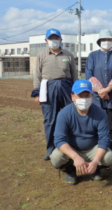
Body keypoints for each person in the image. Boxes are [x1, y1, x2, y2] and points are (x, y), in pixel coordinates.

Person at [50, 80, 112, 185]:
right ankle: (70, 170)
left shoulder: (100, 113)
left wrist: (95, 161)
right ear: (73, 97)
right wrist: (76, 157)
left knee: (109, 157)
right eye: (80, 96)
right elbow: (59, 140)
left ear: (92, 96)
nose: (84, 99)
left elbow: (104, 139)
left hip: (92, 149)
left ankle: (96, 168)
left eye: (87, 95)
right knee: (55, 157)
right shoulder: (64, 114)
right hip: (72, 149)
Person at [31, 28, 78, 161]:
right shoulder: (41, 55)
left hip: (66, 87)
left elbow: (74, 75)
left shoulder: (68, 54)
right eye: (51, 39)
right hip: (48, 88)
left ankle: (72, 146)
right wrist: (36, 93)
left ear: (60, 40)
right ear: (46, 41)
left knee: (71, 117)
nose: (53, 41)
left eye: (56, 38)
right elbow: (37, 75)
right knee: (50, 120)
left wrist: (75, 93)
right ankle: (51, 149)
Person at [85, 29, 112, 149]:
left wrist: (107, 90)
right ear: (99, 41)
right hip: (97, 97)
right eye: (104, 40)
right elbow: (89, 75)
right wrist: (100, 91)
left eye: (108, 39)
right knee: (96, 121)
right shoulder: (93, 55)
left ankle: (109, 147)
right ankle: (97, 145)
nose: (106, 42)